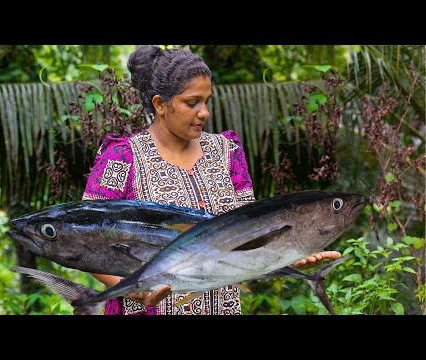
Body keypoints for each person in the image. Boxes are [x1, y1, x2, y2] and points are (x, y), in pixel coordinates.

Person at [82, 45, 341, 315]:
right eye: (192, 103)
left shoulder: (227, 151)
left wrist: (286, 258)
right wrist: (131, 289)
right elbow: (86, 242)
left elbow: (249, 238)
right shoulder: (121, 158)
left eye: (207, 101)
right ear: (161, 104)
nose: (204, 112)